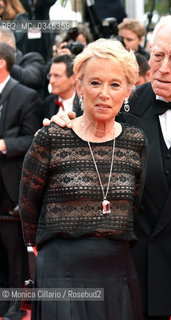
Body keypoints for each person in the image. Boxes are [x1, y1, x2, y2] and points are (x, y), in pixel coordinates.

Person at [46, 14, 171, 319]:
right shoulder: (124, 103)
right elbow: (82, 129)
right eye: (157, 56)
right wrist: (66, 122)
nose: (163, 68)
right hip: (134, 269)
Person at [19, 38, 146, 320]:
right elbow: (28, 204)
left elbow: (133, 203)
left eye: (115, 84)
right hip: (60, 268)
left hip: (117, 268)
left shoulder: (135, 142)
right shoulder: (52, 136)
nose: (104, 93)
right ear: (79, 87)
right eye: (95, 83)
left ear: (128, 91)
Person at [0, 41, 42, 320]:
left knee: (14, 250)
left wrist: (4, 143)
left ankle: (17, 305)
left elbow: (32, 138)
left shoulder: (25, 95)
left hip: (11, 186)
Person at [43, 54, 82, 119]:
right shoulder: (48, 103)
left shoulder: (84, 104)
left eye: (57, 76)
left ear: (73, 78)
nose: (51, 81)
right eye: (50, 76)